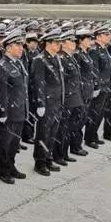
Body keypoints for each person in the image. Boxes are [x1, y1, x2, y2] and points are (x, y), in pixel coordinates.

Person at [0, 29, 29, 183]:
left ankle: (11, 166)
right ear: (8, 47)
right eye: (17, 45)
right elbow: (2, 93)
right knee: (4, 143)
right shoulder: (2, 65)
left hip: (20, 110)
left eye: (21, 45)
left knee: (14, 143)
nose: (21, 48)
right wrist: (2, 112)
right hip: (9, 112)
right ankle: (3, 171)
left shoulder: (19, 63)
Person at [30, 28, 64, 176]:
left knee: (52, 133)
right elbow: (38, 83)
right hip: (47, 103)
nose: (59, 45)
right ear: (48, 43)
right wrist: (40, 103)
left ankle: (48, 158)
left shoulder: (56, 57)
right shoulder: (40, 60)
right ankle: (40, 162)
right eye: (56, 43)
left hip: (56, 102)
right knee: (43, 134)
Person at [55, 30, 84, 165]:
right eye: (70, 41)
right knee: (62, 129)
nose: (73, 43)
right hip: (67, 99)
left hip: (75, 98)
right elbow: (62, 82)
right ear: (63, 43)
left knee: (69, 128)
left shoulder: (71, 57)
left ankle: (65, 153)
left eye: (73, 41)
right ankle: (58, 155)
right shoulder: (62, 59)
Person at [85, 25, 111, 149]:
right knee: (94, 113)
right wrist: (96, 86)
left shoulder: (104, 49)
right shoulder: (94, 50)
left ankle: (94, 135)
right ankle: (89, 138)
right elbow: (94, 70)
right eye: (106, 35)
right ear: (99, 37)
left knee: (101, 113)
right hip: (100, 87)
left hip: (106, 85)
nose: (109, 37)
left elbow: (108, 69)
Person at [71, 27, 95, 156]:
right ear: (81, 40)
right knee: (78, 121)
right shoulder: (77, 55)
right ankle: (75, 146)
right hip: (81, 92)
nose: (90, 41)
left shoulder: (86, 54)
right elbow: (78, 76)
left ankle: (76, 144)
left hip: (88, 91)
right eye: (88, 39)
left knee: (83, 119)